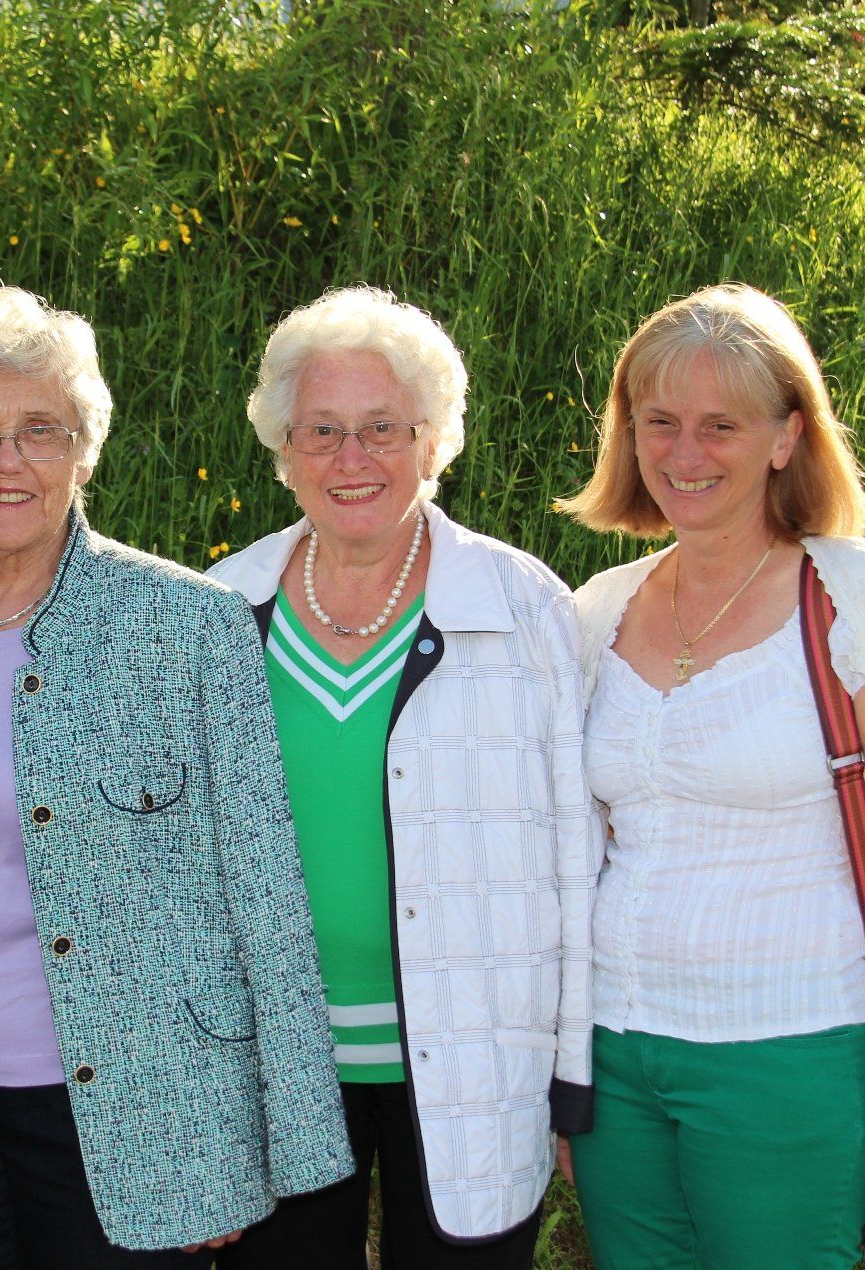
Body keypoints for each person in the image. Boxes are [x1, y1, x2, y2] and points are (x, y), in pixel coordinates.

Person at [0, 285, 353, 1267]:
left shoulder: (186, 624)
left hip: (129, 1107)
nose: (7, 461)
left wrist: (263, 1140)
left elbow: (263, 889)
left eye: (40, 431)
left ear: (84, 451)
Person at [558, 284, 865, 1267]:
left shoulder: (856, 597)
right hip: (615, 1059)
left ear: (787, 436)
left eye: (721, 425)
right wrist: (565, 1068)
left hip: (792, 1053)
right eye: (659, 421)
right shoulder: (597, 611)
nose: (684, 452)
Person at [207, 285, 600, 1269]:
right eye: (322, 430)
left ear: (433, 442)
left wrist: (574, 1074)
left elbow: (578, 853)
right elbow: (176, 872)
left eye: (383, 427)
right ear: (284, 446)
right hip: (274, 1065)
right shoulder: (215, 611)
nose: (352, 458)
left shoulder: (524, 609)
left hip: (477, 1061)